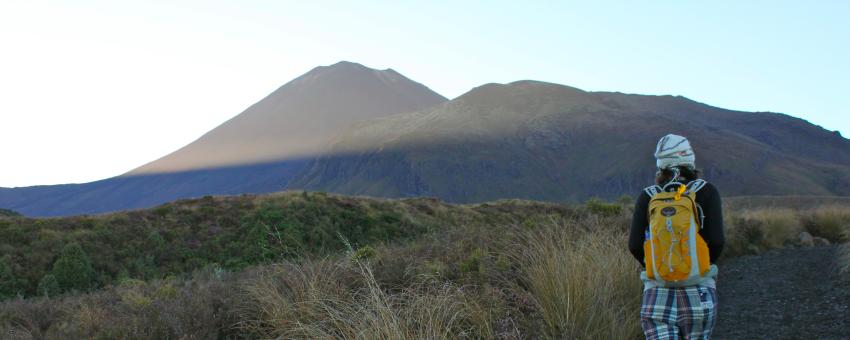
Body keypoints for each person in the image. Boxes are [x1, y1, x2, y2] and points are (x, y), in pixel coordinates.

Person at [628, 134, 725, 339]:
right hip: (699, 294)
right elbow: (717, 241)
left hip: (657, 295)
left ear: (660, 164)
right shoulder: (707, 192)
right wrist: (698, 268)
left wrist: (657, 267)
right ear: (689, 159)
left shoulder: (648, 195)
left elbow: (635, 245)